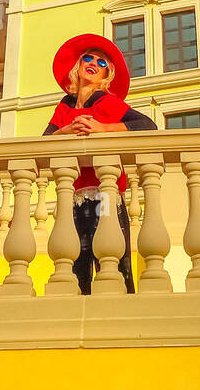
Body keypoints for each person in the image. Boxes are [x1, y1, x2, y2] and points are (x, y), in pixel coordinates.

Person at [43, 33, 156, 294]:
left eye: (102, 62)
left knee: (114, 263)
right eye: (88, 58)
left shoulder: (106, 101)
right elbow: (46, 140)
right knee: (76, 263)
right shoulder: (65, 106)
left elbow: (147, 125)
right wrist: (68, 130)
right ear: (78, 66)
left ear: (106, 75)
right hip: (74, 196)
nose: (93, 63)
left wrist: (104, 127)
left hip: (106, 194)